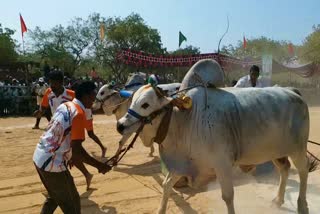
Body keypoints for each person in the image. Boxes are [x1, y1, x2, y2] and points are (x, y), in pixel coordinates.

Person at [33, 81, 111, 214]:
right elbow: (78, 150)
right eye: (93, 95)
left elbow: (59, 134)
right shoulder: (79, 114)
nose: (94, 99)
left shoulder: (66, 106)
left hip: (39, 157)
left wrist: (68, 155)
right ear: (86, 96)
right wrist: (99, 166)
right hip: (52, 164)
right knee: (73, 206)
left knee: (54, 197)